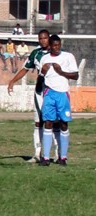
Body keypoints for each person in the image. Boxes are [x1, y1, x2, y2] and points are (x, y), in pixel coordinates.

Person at [7, 30, 59, 163]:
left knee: (55, 122)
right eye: (40, 38)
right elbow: (25, 69)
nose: (43, 40)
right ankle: (37, 154)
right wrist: (12, 81)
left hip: (54, 91)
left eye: (45, 38)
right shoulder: (36, 53)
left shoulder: (58, 53)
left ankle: (58, 154)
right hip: (40, 91)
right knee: (38, 122)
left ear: (49, 38)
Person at [38, 34, 79, 166]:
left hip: (62, 94)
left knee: (63, 124)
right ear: (49, 46)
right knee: (48, 123)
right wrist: (42, 72)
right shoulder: (44, 58)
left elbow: (75, 75)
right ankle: (45, 158)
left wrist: (61, 72)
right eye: (54, 45)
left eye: (58, 45)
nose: (57, 48)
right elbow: (40, 78)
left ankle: (63, 157)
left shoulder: (68, 56)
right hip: (49, 93)